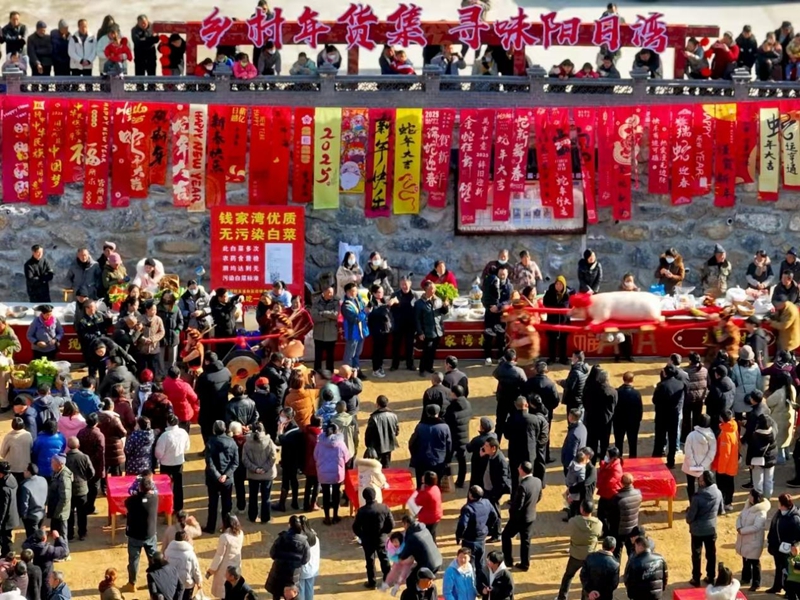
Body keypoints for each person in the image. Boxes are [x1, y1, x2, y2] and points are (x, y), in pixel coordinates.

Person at [557, 500, 603, 600]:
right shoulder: (598, 524)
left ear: (581, 509)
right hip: (590, 556)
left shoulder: (573, 521)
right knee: (587, 580)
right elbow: (599, 535)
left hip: (575, 555)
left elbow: (567, 532)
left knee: (568, 575)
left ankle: (562, 597)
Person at [501, 461, 541, 572]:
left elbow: (518, 505)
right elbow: (539, 497)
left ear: (522, 470)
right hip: (531, 516)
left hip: (519, 519)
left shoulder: (523, 486)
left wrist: (511, 513)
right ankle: (525, 563)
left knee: (505, 535)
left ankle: (508, 560)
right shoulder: (537, 481)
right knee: (526, 540)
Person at [686, 470, 724, 586]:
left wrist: (687, 514)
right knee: (711, 554)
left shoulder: (697, 497)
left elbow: (690, 517)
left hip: (697, 530)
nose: (699, 481)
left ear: (705, 482)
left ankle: (696, 578)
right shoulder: (718, 493)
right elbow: (721, 510)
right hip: (711, 529)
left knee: (696, 555)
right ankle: (711, 576)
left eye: (701, 480)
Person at [353, 487, 394, 589]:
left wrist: (362, 536)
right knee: (384, 559)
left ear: (364, 497)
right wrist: (385, 533)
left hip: (368, 540)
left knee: (370, 561)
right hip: (381, 539)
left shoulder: (362, 511)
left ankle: (372, 582)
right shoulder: (384, 508)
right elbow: (391, 524)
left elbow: (355, 527)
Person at [122, 476, 158, 592]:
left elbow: (126, 502)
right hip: (150, 534)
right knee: (153, 559)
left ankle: (132, 583)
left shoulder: (132, 500)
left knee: (133, 560)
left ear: (140, 487)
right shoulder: (154, 498)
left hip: (135, 535)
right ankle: (154, 582)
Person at [203, 420, 238, 534]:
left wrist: (218, 475)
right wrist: (225, 475)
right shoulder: (232, 442)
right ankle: (226, 527)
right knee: (227, 504)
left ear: (214, 430)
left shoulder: (210, 442)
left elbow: (209, 462)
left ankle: (211, 527)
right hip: (227, 479)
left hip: (213, 478)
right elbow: (235, 462)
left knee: (213, 503)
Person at [265, 515, 310, 600]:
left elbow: (272, 553)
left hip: (278, 572)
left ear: (289, 525)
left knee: (277, 595)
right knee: (291, 597)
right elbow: (305, 559)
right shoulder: (304, 542)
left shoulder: (282, 538)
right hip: (292, 576)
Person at [313, 423, 350, 525]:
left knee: (325, 495)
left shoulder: (319, 443)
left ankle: (327, 518)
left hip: (323, 473)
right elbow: (347, 458)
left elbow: (315, 456)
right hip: (337, 473)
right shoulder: (341, 444)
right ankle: (335, 516)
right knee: (336, 494)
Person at [409, 404, 452, 487]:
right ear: (438, 413)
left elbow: (412, 443)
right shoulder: (445, 427)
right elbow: (449, 445)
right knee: (436, 485)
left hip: (422, 460)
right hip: (439, 461)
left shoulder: (420, 426)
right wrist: (447, 460)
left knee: (421, 484)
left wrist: (415, 456)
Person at [651, 364, 685, 469]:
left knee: (659, 439)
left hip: (662, 416)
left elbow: (655, 400)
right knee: (673, 438)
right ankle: (671, 461)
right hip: (674, 415)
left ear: (665, 373)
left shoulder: (661, 385)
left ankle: (656, 459)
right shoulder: (681, 384)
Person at [456, 485, 497, 571]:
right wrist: (487, 528)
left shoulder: (467, 508)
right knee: (480, 562)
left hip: (469, 540)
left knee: (468, 564)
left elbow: (462, 524)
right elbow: (495, 516)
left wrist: (459, 535)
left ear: (470, 495)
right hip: (481, 538)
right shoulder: (487, 502)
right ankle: (480, 581)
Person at [736, 489, 770, 591]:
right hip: (745, 539)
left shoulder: (761, 512)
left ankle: (756, 583)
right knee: (745, 559)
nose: (748, 496)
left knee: (754, 562)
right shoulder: (747, 505)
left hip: (754, 541)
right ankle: (745, 578)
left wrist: (742, 531)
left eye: (750, 495)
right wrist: (738, 527)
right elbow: (740, 517)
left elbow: (757, 527)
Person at [196, 352, 231, 445]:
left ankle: (208, 448)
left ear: (207, 361)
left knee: (206, 428)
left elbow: (198, 391)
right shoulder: (227, 371)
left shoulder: (204, 376)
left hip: (208, 408)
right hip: (223, 406)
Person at [415, 281, 450, 376]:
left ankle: (429, 367)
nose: (434, 290)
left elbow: (443, 312)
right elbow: (417, 319)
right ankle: (422, 369)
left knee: (433, 351)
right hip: (427, 331)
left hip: (438, 330)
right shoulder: (419, 303)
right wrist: (420, 332)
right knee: (426, 351)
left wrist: (445, 306)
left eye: (434, 288)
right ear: (426, 290)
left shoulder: (438, 300)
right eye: (431, 289)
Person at [399, 515, 442, 588]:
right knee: (426, 582)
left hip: (428, 564)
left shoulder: (412, 536)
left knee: (411, 581)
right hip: (438, 560)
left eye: (403, 525)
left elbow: (404, 555)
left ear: (406, 524)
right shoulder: (424, 529)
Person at [481, 265, 512, 366]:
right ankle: (487, 357)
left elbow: (508, 300)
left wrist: (498, 307)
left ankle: (500, 357)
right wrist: (489, 306)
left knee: (500, 337)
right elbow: (484, 297)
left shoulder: (509, 286)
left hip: (501, 315)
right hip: (490, 313)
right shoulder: (490, 282)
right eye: (500, 274)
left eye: (504, 274)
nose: (502, 276)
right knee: (488, 335)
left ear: (507, 275)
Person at [64, 438, 93, 542]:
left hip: (69, 489)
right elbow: (91, 472)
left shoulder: (65, 458)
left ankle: (70, 535)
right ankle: (82, 533)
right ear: (78, 445)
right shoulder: (84, 457)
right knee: (82, 513)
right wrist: (85, 480)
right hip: (82, 490)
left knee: (69, 513)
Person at [207, 515, 244, 599]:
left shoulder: (224, 537)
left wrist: (211, 571)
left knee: (224, 593)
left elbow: (219, 556)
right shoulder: (241, 534)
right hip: (237, 567)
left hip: (224, 569)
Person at [683, 414, 717, 501]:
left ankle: (692, 504)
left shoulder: (691, 435)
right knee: (703, 486)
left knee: (690, 485)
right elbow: (711, 453)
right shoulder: (712, 437)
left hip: (690, 467)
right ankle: (701, 505)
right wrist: (702, 466)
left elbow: (688, 452)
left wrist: (694, 466)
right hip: (704, 468)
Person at [444, 386, 472, 489]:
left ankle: (447, 480)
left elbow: (447, 422)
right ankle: (460, 481)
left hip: (453, 438)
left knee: (447, 459)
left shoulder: (451, 409)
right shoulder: (467, 404)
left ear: (454, 394)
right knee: (462, 460)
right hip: (464, 437)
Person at [624, 536, 668, 600]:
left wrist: (631, 595)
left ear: (640, 546)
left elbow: (629, 581)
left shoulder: (634, 563)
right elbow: (665, 576)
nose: (635, 549)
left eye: (636, 546)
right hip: (656, 595)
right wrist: (661, 589)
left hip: (640, 596)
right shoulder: (660, 559)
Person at [542, 276, 573, 364]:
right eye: (557, 284)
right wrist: (556, 307)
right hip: (552, 320)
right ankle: (552, 358)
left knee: (563, 341)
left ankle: (563, 358)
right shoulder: (549, 293)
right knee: (552, 340)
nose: (558, 286)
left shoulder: (568, 294)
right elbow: (546, 303)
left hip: (564, 321)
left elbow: (568, 306)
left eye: (561, 284)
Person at [712, 411, 739, 511]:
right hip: (732, 464)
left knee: (722, 486)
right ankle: (728, 502)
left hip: (724, 466)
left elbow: (725, 454)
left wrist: (720, 469)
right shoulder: (733, 428)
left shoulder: (725, 434)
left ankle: (723, 504)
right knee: (730, 484)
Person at [341, 283, 370, 375]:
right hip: (352, 333)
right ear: (348, 292)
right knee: (350, 355)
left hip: (360, 332)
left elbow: (364, 312)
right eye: (354, 291)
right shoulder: (346, 305)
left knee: (357, 354)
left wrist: (368, 308)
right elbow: (355, 319)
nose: (356, 292)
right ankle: (347, 373)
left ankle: (356, 371)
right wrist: (365, 311)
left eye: (356, 290)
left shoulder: (357, 300)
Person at [390, 275, 417, 372]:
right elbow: (390, 309)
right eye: (402, 284)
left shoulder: (415, 295)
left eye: (405, 284)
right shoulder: (395, 295)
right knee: (396, 345)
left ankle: (410, 364)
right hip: (398, 324)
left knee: (410, 345)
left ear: (410, 284)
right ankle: (394, 365)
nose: (404, 286)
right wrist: (395, 303)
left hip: (410, 325)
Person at [365, 395, 399, 468]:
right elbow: (396, 431)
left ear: (377, 404)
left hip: (377, 447)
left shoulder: (373, 418)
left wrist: (369, 446)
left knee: (376, 467)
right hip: (389, 445)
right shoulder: (394, 416)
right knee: (386, 466)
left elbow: (368, 434)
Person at [748, 414, 777, 498]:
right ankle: (767, 498)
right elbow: (775, 424)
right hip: (771, 460)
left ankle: (758, 499)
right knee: (769, 481)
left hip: (758, 461)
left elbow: (751, 451)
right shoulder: (773, 432)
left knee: (758, 482)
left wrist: (749, 462)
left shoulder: (756, 435)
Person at [415, 471, 444, 542]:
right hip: (436, 516)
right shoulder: (435, 487)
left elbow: (417, 501)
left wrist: (421, 490)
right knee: (432, 533)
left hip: (428, 519)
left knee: (427, 537)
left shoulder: (427, 492)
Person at [562, 408, 587, 474]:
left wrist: (568, 466)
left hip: (573, 465)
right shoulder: (583, 427)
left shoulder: (574, 434)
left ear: (571, 417)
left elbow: (572, 452)